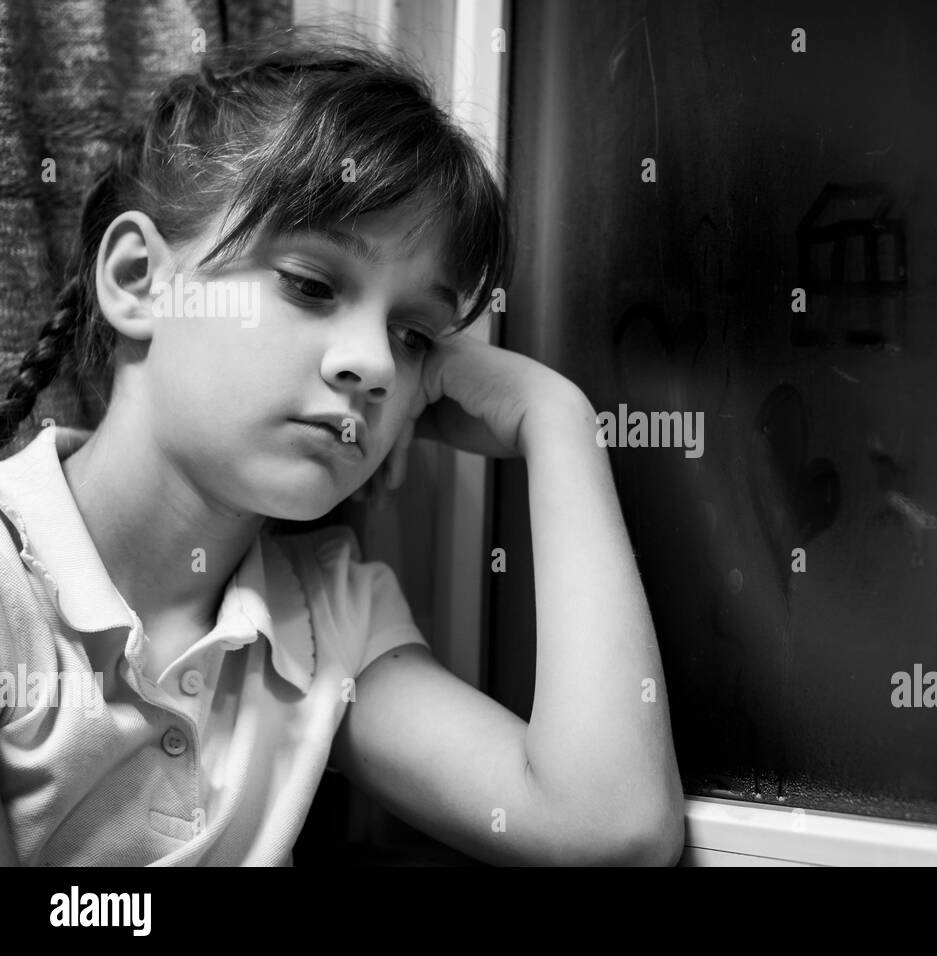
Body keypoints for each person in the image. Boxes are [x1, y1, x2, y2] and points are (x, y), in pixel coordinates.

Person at [0, 29, 683, 866]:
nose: (373, 366)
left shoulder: (327, 615)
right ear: (141, 280)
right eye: (312, 285)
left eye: (414, 335)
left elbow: (609, 826)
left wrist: (559, 420)